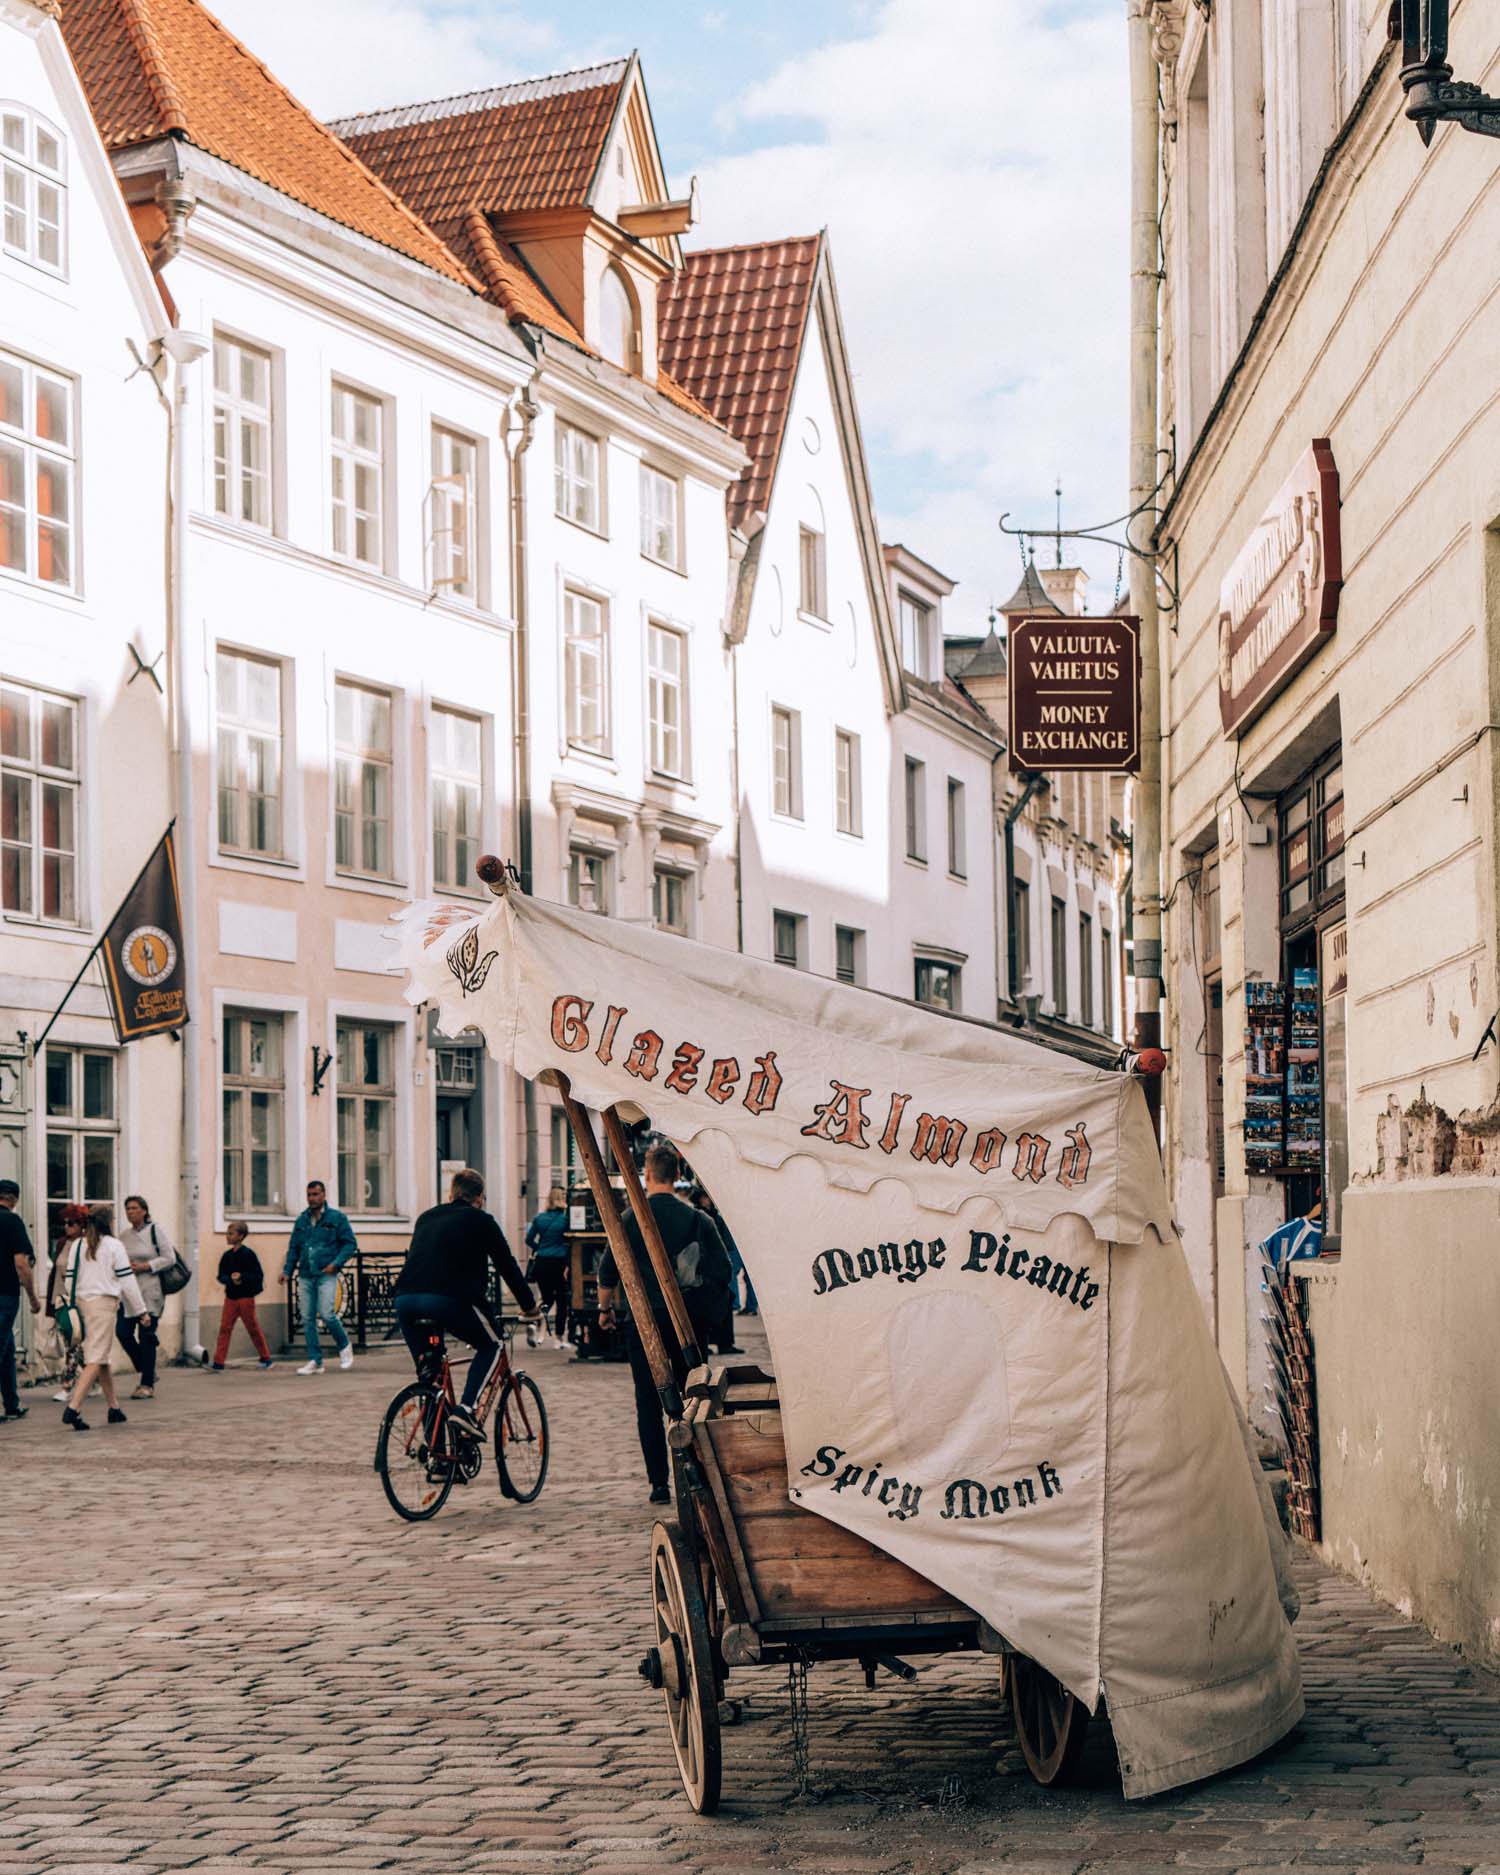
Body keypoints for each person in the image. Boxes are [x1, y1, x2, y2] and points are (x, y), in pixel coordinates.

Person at [597, 1144, 733, 1504]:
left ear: (647, 1172)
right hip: (686, 1322)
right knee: (695, 1397)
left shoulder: (628, 1219)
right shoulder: (697, 1220)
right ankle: (696, 1472)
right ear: (676, 1174)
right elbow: (723, 1272)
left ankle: (658, 1483)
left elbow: (608, 1272)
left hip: (643, 1324)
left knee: (648, 1400)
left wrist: (604, 1309)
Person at [393, 1168, 538, 1439]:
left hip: (405, 1300)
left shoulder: (426, 1218)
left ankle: (437, 1456)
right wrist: (529, 1306)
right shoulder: (481, 1220)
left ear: (451, 1194)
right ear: (480, 1198)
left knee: (430, 1376)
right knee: (492, 1345)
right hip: (450, 1299)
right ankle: (467, 1410)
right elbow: (507, 1266)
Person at [58, 1203, 148, 1431]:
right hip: (104, 1306)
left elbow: (69, 1280)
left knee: (101, 1356)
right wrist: (141, 1311)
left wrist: (75, 1299)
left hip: (81, 1305)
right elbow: (127, 1281)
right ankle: (74, 1408)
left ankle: (114, 1408)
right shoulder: (114, 1245)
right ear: (110, 1222)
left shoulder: (78, 1244)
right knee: (95, 1358)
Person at [282, 1180, 357, 1375]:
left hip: (326, 1273)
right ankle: (315, 1360)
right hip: (306, 1273)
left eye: (316, 1194)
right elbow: (294, 1248)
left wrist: (336, 1263)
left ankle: (344, 1345)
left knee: (326, 1313)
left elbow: (349, 1244)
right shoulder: (302, 1220)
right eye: (309, 1195)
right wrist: (287, 1271)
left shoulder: (337, 1218)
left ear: (323, 1195)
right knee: (307, 1318)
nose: (312, 1198)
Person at [117, 1194, 176, 1400]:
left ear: (144, 1210)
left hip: (150, 1291)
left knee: (146, 1336)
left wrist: (146, 1266)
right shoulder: (123, 1236)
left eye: (134, 1208)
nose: (130, 1212)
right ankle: (146, 1367)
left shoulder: (155, 1231)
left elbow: (170, 1258)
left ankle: (146, 1383)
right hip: (128, 1293)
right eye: (127, 1209)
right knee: (123, 1332)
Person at [0, 1178, 40, 1423]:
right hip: (4, 1294)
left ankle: (12, 1404)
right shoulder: (12, 1222)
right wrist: (33, 1297)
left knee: (7, 1350)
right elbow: (21, 1264)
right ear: (13, 1199)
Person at [212, 1221, 273, 1370]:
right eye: (227, 1233)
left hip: (246, 1298)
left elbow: (258, 1275)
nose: (227, 1236)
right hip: (231, 1298)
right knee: (225, 1328)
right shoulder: (226, 1256)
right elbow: (221, 1276)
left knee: (252, 1328)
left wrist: (242, 1277)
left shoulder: (248, 1254)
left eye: (231, 1233)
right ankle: (218, 1362)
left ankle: (266, 1358)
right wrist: (230, 1280)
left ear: (240, 1236)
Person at [692, 1186, 744, 1355]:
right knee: (702, 1310)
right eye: (705, 1197)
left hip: (715, 1269)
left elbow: (725, 1244)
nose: (708, 1200)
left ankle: (724, 1343)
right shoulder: (698, 1217)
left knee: (724, 1305)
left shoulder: (714, 1217)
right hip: (702, 1270)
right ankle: (705, 1344)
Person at [524, 1186, 571, 1350]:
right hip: (559, 1263)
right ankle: (559, 1338)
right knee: (561, 1300)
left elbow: (528, 1239)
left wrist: (540, 1248)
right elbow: (570, 1242)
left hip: (542, 1262)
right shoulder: (565, 1220)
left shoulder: (539, 1218)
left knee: (547, 1299)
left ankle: (534, 1323)